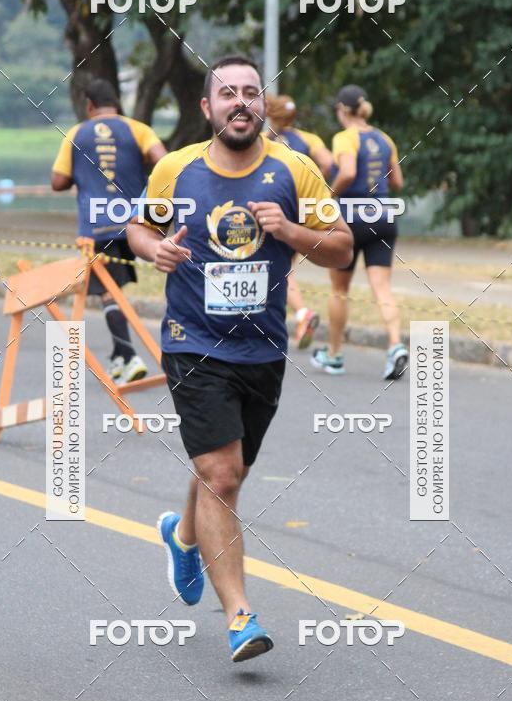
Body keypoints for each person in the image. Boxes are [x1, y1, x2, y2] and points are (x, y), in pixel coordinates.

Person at [128, 56, 352, 662]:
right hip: (192, 341)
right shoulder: (176, 170)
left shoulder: (295, 171)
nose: (240, 102)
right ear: (207, 109)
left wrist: (290, 232)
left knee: (225, 472)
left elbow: (341, 249)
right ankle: (240, 618)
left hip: (263, 348)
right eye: (227, 93)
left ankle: (182, 535)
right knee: (222, 476)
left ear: (262, 104)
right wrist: (156, 250)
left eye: (250, 92)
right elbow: (138, 229)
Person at [51, 78, 167, 383]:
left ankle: (128, 356)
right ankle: (118, 356)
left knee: (105, 292)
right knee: (112, 288)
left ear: (89, 106)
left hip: (94, 228)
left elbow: (57, 181)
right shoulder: (138, 129)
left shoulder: (77, 133)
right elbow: (164, 162)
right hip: (132, 223)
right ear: (116, 104)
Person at [311, 84, 408, 379]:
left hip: (352, 219)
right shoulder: (384, 138)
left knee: (340, 289)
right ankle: (395, 346)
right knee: (382, 288)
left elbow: (349, 172)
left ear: (342, 110)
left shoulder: (344, 138)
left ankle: (335, 356)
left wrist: (327, 196)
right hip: (383, 216)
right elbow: (398, 182)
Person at [266, 94, 335, 350]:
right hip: (302, 206)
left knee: (281, 266)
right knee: (286, 265)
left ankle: (302, 312)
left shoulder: (265, 140)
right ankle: (298, 313)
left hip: (276, 205)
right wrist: (316, 183)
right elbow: (328, 163)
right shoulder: (309, 139)